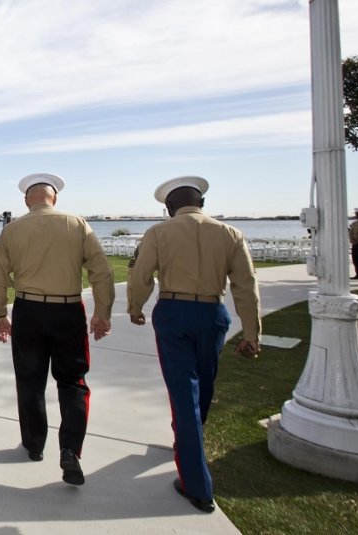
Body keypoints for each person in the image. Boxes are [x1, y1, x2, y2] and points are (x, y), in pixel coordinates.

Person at [127, 176, 261, 513]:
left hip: (174, 311)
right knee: (203, 386)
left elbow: (142, 275)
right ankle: (188, 442)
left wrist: (135, 307)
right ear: (201, 203)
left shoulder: (159, 233)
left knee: (184, 393)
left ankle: (196, 485)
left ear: (170, 206)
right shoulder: (230, 234)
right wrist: (251, 332)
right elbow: (246, 285)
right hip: (213, 313)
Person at [0, 173, 114, 486]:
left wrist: (2, 314)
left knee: (30, 381)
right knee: (73, 382)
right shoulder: (77, 224)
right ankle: (70, 448)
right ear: (54, 197)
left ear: (26, 200)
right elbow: (101, 271)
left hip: (29, 310)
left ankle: (34, 445)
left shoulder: (12, 230)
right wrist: (102, 313)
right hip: (68, 310)